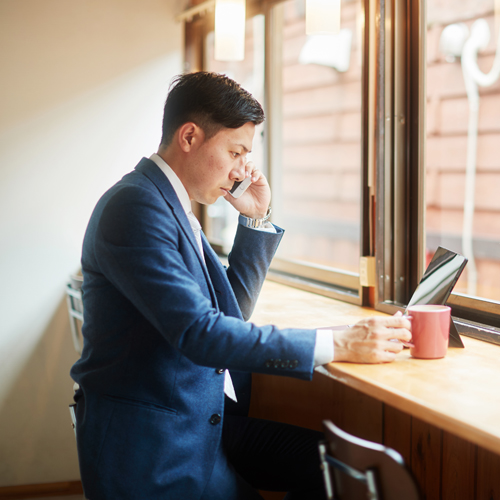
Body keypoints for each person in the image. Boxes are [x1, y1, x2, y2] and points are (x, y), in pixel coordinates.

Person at [70, 71, 412, 500]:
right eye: (235, 152)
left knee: (329, 464)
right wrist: (338, 344)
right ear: (190, 136)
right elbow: (199, 333)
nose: (239, 173)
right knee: (332, 471)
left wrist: (254, 219)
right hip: (156, 446)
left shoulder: (168, 203)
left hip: (203, 420)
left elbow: (227, 314)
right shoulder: (135, 206)